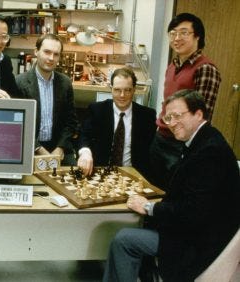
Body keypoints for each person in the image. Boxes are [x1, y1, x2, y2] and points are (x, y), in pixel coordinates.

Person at [103, 89, 240, 282]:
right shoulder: (204, 140)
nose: (172, 123)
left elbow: (192, 213)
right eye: (168, 118)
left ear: (198, 114)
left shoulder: (210, 153)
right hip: (199, 231)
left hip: (199, 242)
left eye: (177, 116)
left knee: (123, 240)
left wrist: (149, 207)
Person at [150, 13, 221, 189]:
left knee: (175, 192)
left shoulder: (205, 68)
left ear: (197, 36)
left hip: (180, 145)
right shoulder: (173, 65)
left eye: (183, 33)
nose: (177, 38)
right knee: (152, 188)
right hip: (161, 138)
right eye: (173, 33)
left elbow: (202, 116)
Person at [77, 67, 156, 178]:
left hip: (133, 176)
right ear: (111, 89)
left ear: (134, 89)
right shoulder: (97, 110)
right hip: (101, 173)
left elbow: (151, 154)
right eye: (117, 90)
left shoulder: (147, 116)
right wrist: (85, 152)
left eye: (127, 90)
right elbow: (84, 136)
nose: (122, 95)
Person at [16, 34, 78, 165]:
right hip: (30, 146)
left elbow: (71, 122)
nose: (51, 58)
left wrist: (60, 148)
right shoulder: (20, 82)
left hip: (58, 147)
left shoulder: (65, 83)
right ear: (36, 51)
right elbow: (18, 125)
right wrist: (39, 150)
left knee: (71, 179)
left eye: (56, 54)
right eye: (47, 52)